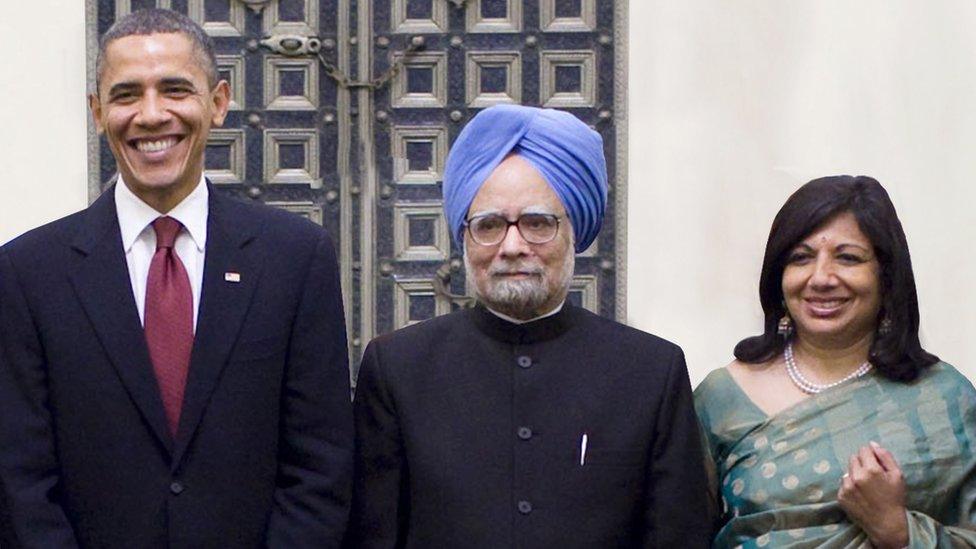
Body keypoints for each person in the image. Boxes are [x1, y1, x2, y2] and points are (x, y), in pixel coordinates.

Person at [0, 9, 352, 548]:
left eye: (174, 89)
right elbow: (20, 479)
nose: (151, 114)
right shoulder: (28, 273)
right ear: (97, 112)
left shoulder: (295, 260)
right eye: (125, 95)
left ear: (218, 102)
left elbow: (320, 466)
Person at [347, 104, 710, 548]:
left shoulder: (650, 371)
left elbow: (679, 536)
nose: (513, 245)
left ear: (574, 231)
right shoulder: (398, 368)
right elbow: (372, 535)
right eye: (490, 225)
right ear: (464, 237)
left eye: (538, 223)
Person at [695, 175, 976, 547]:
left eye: (848, 258)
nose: (821, 278)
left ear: (887, 277)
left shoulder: (945, 400)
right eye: (801, 258)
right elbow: (676, 532)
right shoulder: (722, 398)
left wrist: (897, 530)